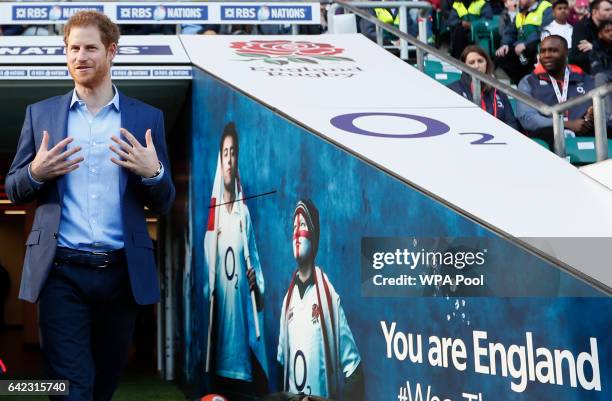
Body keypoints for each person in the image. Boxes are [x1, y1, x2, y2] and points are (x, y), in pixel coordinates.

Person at [4, 10, 175, 401]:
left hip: (122, 275)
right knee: (70, 388)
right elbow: (14, 189)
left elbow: (164, 203)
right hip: (61, 273)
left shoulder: (148, 118)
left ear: (111, 51)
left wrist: (154, 172)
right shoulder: (41, 114)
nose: (80, 56)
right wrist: (36, 171)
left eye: (90, 48)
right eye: (72, 48)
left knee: (103, 385)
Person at [204, 123, 268, 395]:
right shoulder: (213, 218)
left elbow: (259, 282)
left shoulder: (244, 216)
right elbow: (208, 286)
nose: (229, 159)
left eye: (234, 153)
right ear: (220, 159)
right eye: (225, 152)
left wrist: (256, 285)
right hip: (220, 343)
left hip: (242, 346)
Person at [277, 199, 363, 401]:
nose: (297, 233)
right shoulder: (287, 301)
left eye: (303, 225)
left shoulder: (328, 297)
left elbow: (355, 371)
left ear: (314, 236)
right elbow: (281, 364)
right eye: (294, 227)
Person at [516, 35, 605, 148]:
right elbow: (528, 119)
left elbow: (602, 113)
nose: (547, 55)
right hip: (547, 140)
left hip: (585, 135)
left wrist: (592, 117)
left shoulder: (585, 79)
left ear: (566, 53)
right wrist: (566, 124)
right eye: (543, 51)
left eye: (553, 51)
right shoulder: (528, 82)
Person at [448, 45, 520, 129]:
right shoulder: (453, 90)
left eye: (480, 61)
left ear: (486, 63)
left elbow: (511, 122)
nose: (476, 66)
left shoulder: (498, 90)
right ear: (464, 66)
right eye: (471, 62)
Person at [496, 0, 553, 83]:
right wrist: (505, 44)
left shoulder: (546, 8)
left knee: (531, 49)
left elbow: (545, 31)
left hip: (536, 46)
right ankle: (522, 83)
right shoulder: (520, 12)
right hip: (520, 50)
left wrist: (526, 44)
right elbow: (510, 31)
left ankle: (530, 81)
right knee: (501, 55)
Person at [570, 0, 612, 72]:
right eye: (607, 10)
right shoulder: (582, 27)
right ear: (595, 12)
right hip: (589, 75)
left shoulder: (609, 25)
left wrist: (594, 47)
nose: (611, 12)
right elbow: (578, 57)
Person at [589, 19, 612, 119]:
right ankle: (607, 116)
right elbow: (597, 71)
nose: (611, 33)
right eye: (607, 31)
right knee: (600, 77)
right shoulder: (596, 50)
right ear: (600, 34)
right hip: (606, 79)